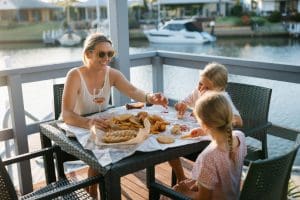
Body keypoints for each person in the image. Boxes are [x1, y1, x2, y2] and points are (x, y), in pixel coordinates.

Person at [62, 32, 168, 198]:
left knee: (135, 139)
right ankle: (94, 190)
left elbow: (132, 90)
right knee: (103, 146)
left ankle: (95, 188)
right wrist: (89, 123)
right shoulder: (75, 75)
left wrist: (150, 98)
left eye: (110, 53)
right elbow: (66, 114)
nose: (107, 58)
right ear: (88, 53)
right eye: (101, 54)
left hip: (101, 123)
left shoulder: (111, 73)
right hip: (79, 124)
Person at [170, 62, 243, 182]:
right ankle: (181, 178)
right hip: (194, 132)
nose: (201, 89)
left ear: (220, 89)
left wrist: (215, 119)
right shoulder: (197, 91)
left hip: (210, 139)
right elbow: (184, 102)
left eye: (207, 88)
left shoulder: (222, 99)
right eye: (200, 83)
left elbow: (238, 121)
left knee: (172, 148)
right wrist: (181, 105)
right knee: (170, 144)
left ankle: (200, 183)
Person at [171, 91, 247, 200]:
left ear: (204, 124)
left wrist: (184, 191)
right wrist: (203, 131)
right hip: (232, 196)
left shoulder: (209, 157)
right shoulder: (240, 137)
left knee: (169, 194)